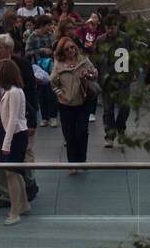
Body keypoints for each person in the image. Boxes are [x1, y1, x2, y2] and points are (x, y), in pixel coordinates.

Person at [0, 34, 38, 207]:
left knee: (21, 157)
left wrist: (32, 122)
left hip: (20, 122)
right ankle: (5, 195)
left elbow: (32, 96)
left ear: (9, 49)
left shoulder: (23, 66)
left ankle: (28, 185)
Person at [50, 36, 97, 174]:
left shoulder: (83, 60)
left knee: (82, 131)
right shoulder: (59, 64)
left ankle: (82, 160)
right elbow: (52, 82)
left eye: (72, 47)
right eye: (67, 49)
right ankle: (72, 163)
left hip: (83, 101)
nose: (71, 50)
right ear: (62, 51)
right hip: (66, 103)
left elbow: (94, 74)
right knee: (69, 134)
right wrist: (60, 93)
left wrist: (88, 75)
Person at [0, 59, 30, 227]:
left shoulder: (14, 92)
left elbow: (13, 119)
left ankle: (15, 211)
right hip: (12, 133)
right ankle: (23, 204)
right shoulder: (10, 91)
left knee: (11, 173)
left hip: (15, 134)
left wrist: (6, 144)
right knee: (16, 172)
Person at [91, 14, 133, 146]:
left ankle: (120, 127)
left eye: (113, 28)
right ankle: (109, 135)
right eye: (108, 28)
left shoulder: (126, 39)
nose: (110, 31)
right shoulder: (100, 40)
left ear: (117, 26)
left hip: (123, 79)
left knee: (125, 107)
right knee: (108, 110)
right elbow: (96, 59)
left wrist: (134, 71)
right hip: (106, 81)